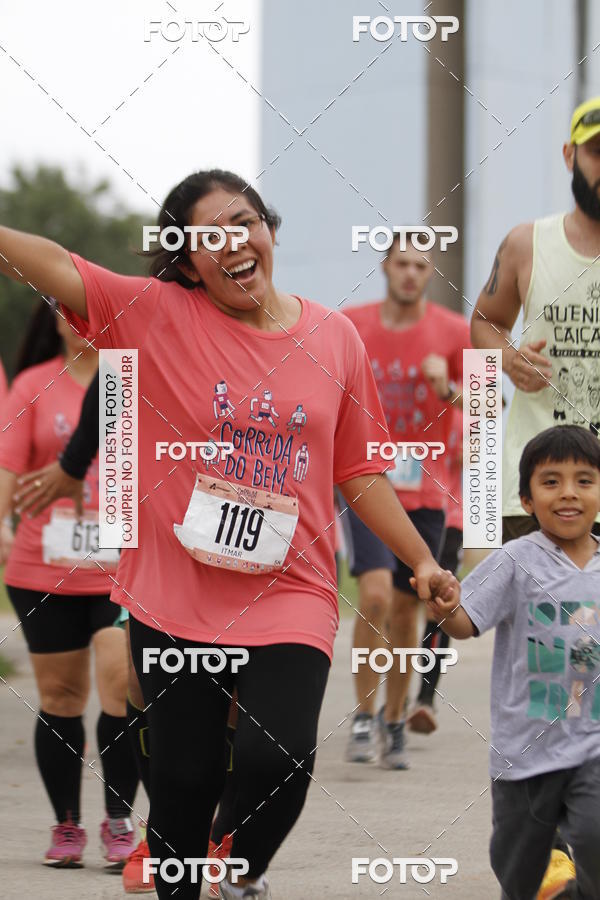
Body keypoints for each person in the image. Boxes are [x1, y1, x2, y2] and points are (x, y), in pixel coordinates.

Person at [0, 170, 456, 900]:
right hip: (174, 593)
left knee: (279, 757)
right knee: (182, 783)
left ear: (268, 228)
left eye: (243, 222)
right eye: (207, 237)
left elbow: (361, 470)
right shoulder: (152, 313)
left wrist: (423, 560)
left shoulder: (332, 336)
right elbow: (52, 263)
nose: (232, 243)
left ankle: (237, 866)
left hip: (291, 587)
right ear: (185, 262)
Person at [14, 370, 237, 896]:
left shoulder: (201, 360)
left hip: (206, 552)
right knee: (129, 683)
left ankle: (215, 833)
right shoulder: (61, 379)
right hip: (105, 562)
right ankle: (157, 833)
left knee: (225, 696)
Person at [425, 425, 600, 900]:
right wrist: (444, 607)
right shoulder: (517, 560)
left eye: (584, 481)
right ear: (525, 499)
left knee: (595, 841)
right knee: (520, 875)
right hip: (525, 753)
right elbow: (466, 622)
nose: (568, 493)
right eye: (551, 482)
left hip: (593, 748)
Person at [0, 299, 138, 869]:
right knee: (60, 698)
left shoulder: (129, 380)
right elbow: (8, 466)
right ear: (54, 319)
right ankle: (66, 827)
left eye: (90, 312)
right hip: (42, 568)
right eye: (68, 311)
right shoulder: (33, 383)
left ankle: (119, 820)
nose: (80, 322)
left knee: (117, 688)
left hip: (120, 572)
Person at [342, 233, 470, 768]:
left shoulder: (454, 332)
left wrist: (450, 391)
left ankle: (395, 719)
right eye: (402, 263)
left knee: (404, 605)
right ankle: (365, 714)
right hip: (366, 477)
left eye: (421, 265)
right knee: (371, 596)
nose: (411, 274)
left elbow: (488, 409)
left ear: (431, 273)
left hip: (429, 487)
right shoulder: (351, 325)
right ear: (385, 267)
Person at [471, 95, 600, 545]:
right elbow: (485, 324)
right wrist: (509, 361)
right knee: (536, 617)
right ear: (570, 155)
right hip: (537, 483)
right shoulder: (527, 243)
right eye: (597, 150)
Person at [407, 407, 464, 734]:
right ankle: (393, 698)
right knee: (396, 607)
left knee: (437, 610)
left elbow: (478, 452)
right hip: (405, 515)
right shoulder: (410, 400)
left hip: (448, 519)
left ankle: (424, 700)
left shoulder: (465, 404)